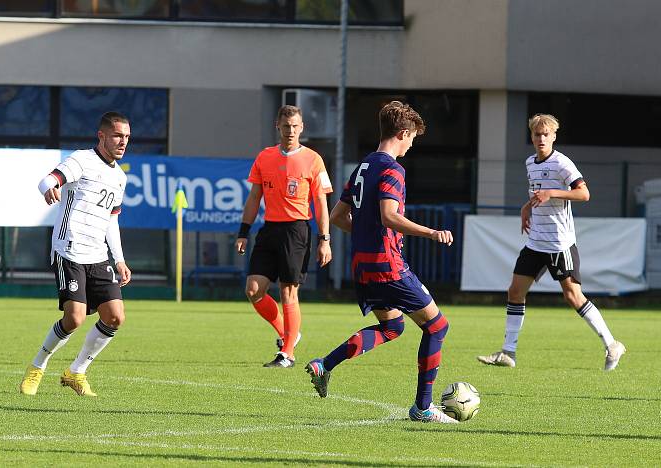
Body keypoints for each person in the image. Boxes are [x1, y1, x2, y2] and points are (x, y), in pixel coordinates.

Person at [305, 101, 458, 424]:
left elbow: (336, 217)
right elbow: (390, 215)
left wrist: (366, 231)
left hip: (362, 265)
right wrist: (431, 232)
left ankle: (325, 364)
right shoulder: (393, 169)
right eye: (412, 137)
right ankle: (423, 407)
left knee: (393, 326)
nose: (412, 144)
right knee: (437, 326)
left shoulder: (362, 167)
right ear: (403, 133)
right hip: (388, 265)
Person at [477, 114, 626, 371]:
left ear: (554, 136)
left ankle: (612, 344)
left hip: (559, 243)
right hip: (536, 241)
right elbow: (537, 193)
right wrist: (527, 207)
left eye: (546, 134)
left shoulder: (562, 163)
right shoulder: (530, 162)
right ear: (532, 137)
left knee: (572, 296)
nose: (541, 138)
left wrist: (552, 193)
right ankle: (508, 352)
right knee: (515, 291)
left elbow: (584, 193)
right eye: (537, 134)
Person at [19, 111, 131, 397]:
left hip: (98, 255)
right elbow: (47, 180)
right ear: (102, 135)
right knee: (75, 319)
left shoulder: (119, 177)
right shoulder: (81, 159)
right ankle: (37, 366)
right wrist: (51, 188)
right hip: (68, 250)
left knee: (115, 316)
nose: (123, 142)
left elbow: (112, 220)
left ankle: (76, 371)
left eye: (127, 137)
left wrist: (118, 259)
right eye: (118, 135)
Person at [235, 105, 333, 368]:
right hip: (269, 229)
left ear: (302, 128)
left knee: (288, 291)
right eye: (286, 126)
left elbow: (321, 203)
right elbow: (254, 197)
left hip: (296, 230)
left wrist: (325, 239)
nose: (290, 130)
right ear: (277, 127)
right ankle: (287, 334)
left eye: (295, 126)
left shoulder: (313, 159)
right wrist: (243, 232)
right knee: (253, 290)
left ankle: (287, 353)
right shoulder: (264, 157)